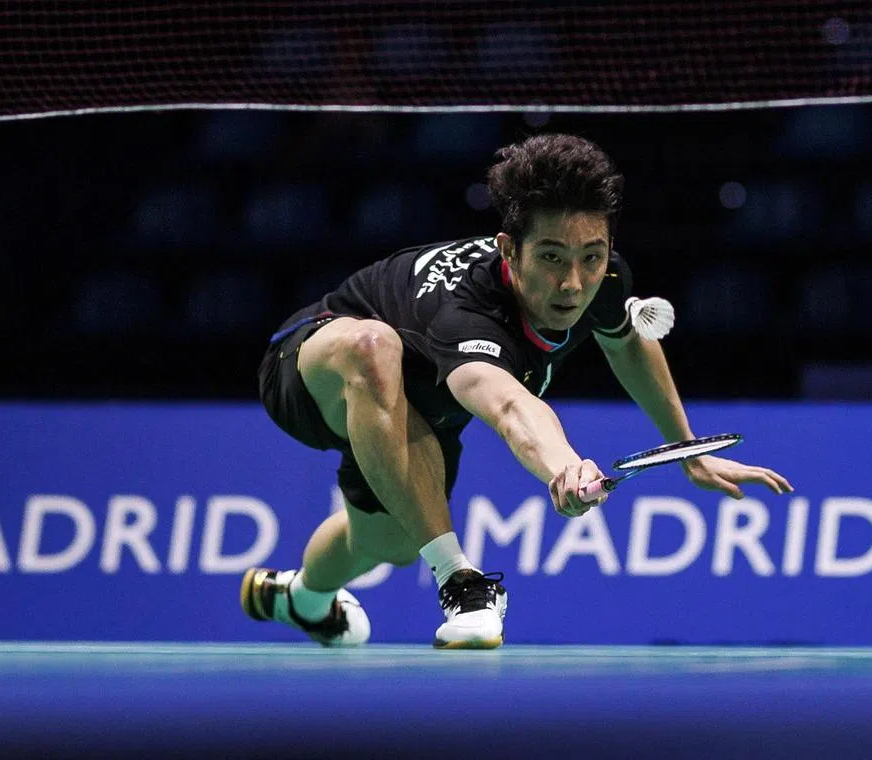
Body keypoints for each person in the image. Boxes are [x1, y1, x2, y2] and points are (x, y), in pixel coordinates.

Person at [241, 133, 793, 649]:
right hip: (313, 368)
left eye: (591, 257)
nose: (573, 282)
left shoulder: (604, 277)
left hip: (414, 406)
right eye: (551, 257)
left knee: (389, 542)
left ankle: (301, 599)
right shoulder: (466, 309)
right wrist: (565, 467)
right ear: (509, 249)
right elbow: (509, 406)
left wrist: (686, 449)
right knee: (372, 345)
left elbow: (627, 344)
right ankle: (461, 584)